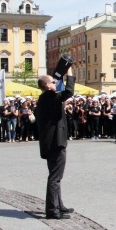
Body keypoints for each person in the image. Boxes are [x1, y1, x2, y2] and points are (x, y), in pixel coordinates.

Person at [35, 69, 75, 220]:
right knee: (55, 177)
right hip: (55, 142)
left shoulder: (45, 97)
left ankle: (58, 205)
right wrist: (69, 73)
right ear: (46, 85)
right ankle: (52, 210)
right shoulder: (49, 96)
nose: (55, 83)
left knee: (55, 175)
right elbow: (68, 92)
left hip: (50, 142)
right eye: (52, 82)